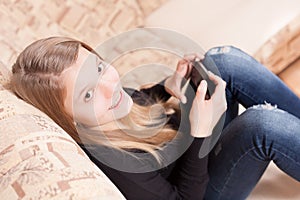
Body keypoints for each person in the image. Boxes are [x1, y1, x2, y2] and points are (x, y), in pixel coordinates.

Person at [11, 37, 300, 200]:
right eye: (87, 94)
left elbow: (139, 101)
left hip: (193, 153)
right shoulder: (111, 161)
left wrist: (168, 87)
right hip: (199, 192)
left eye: (98, 67)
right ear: (68, 120)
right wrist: (199, 132)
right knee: (261, 125)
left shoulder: (109, 103)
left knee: (223, 62)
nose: (109, 86)